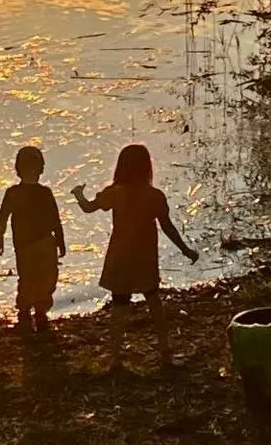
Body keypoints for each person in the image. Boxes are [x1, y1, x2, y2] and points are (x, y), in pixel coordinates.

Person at [72, 143, 199, 367]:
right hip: (144, 258)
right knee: (154, 302)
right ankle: (164, 351)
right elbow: (168, 227)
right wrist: (185, 249)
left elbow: (88, 208)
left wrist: (79, 194)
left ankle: (115, 356)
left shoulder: (114, 193)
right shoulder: (154, 196)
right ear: (147, 167)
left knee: (119, 306)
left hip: (120, 256)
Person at [0, 145, 66, 332]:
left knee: (33, 277)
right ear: (42, 169)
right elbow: (55, 219)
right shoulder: (38, 193)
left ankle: (31, 311)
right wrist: (60, 241)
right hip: (36, 243)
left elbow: (2, 218)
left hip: (32, 243)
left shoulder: (19, 193)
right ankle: (33, 311)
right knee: (41, 277)